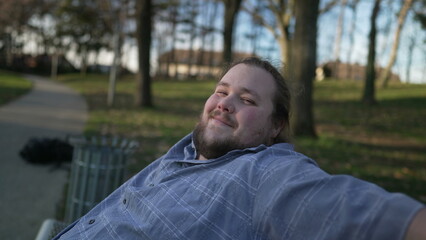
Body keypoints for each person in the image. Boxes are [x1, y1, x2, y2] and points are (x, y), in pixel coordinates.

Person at [54, 57, 425, 240]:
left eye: (246, 99)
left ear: (275, 126)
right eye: (220, 91)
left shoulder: (263, 173)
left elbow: (364, 213)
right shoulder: (183, 153)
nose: (224, 103)